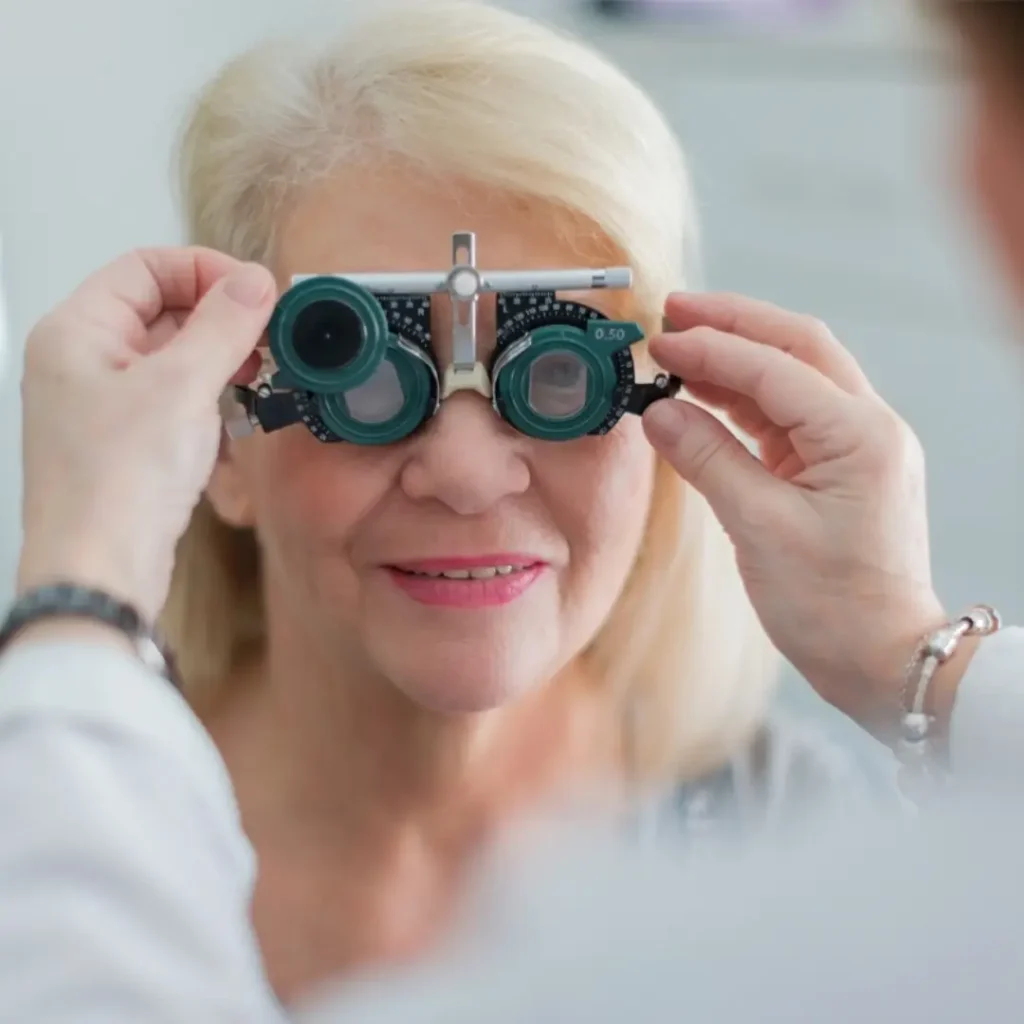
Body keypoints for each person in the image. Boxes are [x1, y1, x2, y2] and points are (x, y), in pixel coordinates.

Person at [2, 0, 1024, 1020]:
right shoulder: (40, 799)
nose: (466, 473)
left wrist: (905, 649)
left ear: (668, 396)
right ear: (220, 433)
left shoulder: (803, 838)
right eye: (359, 377)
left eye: (562, 374)